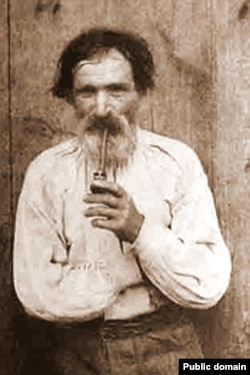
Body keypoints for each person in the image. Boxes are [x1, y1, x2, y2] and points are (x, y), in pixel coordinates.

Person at [13, 28, 231, 375]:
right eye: (87, 91)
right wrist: (130, 275)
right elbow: (37, 293)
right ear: (70, 98)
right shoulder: (47, 173)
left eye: (116, 89)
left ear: (140, 93)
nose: (102, 108)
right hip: (80, 350)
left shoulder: (176, 162)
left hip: (170, 344)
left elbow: (207, 284)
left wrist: (139, 230)